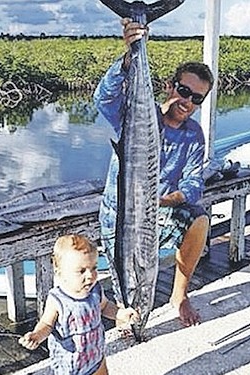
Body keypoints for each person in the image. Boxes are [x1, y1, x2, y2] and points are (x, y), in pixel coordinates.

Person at [94, 18, 215, 327]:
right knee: (127, 272)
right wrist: (129, 53)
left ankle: (179, 296)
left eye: (196, 98)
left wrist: (161, 201)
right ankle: (127, 314)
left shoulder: (193, 135)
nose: (187, 101)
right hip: (119, 213)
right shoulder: (132, 114)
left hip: (156, 211)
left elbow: (192, 186)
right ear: (170, 86)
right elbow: (103, 98)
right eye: (184, 91)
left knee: (199, 219)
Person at [18, 234, 139, 375]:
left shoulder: (95, 289)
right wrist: (37, 335)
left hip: (95, 352)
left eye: (94, 268)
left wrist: (120, 314)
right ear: (60, 273)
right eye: (81, 271)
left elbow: (105, 306)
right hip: (71, 361)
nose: (90, 275)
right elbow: (46, 323)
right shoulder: (58, 299)